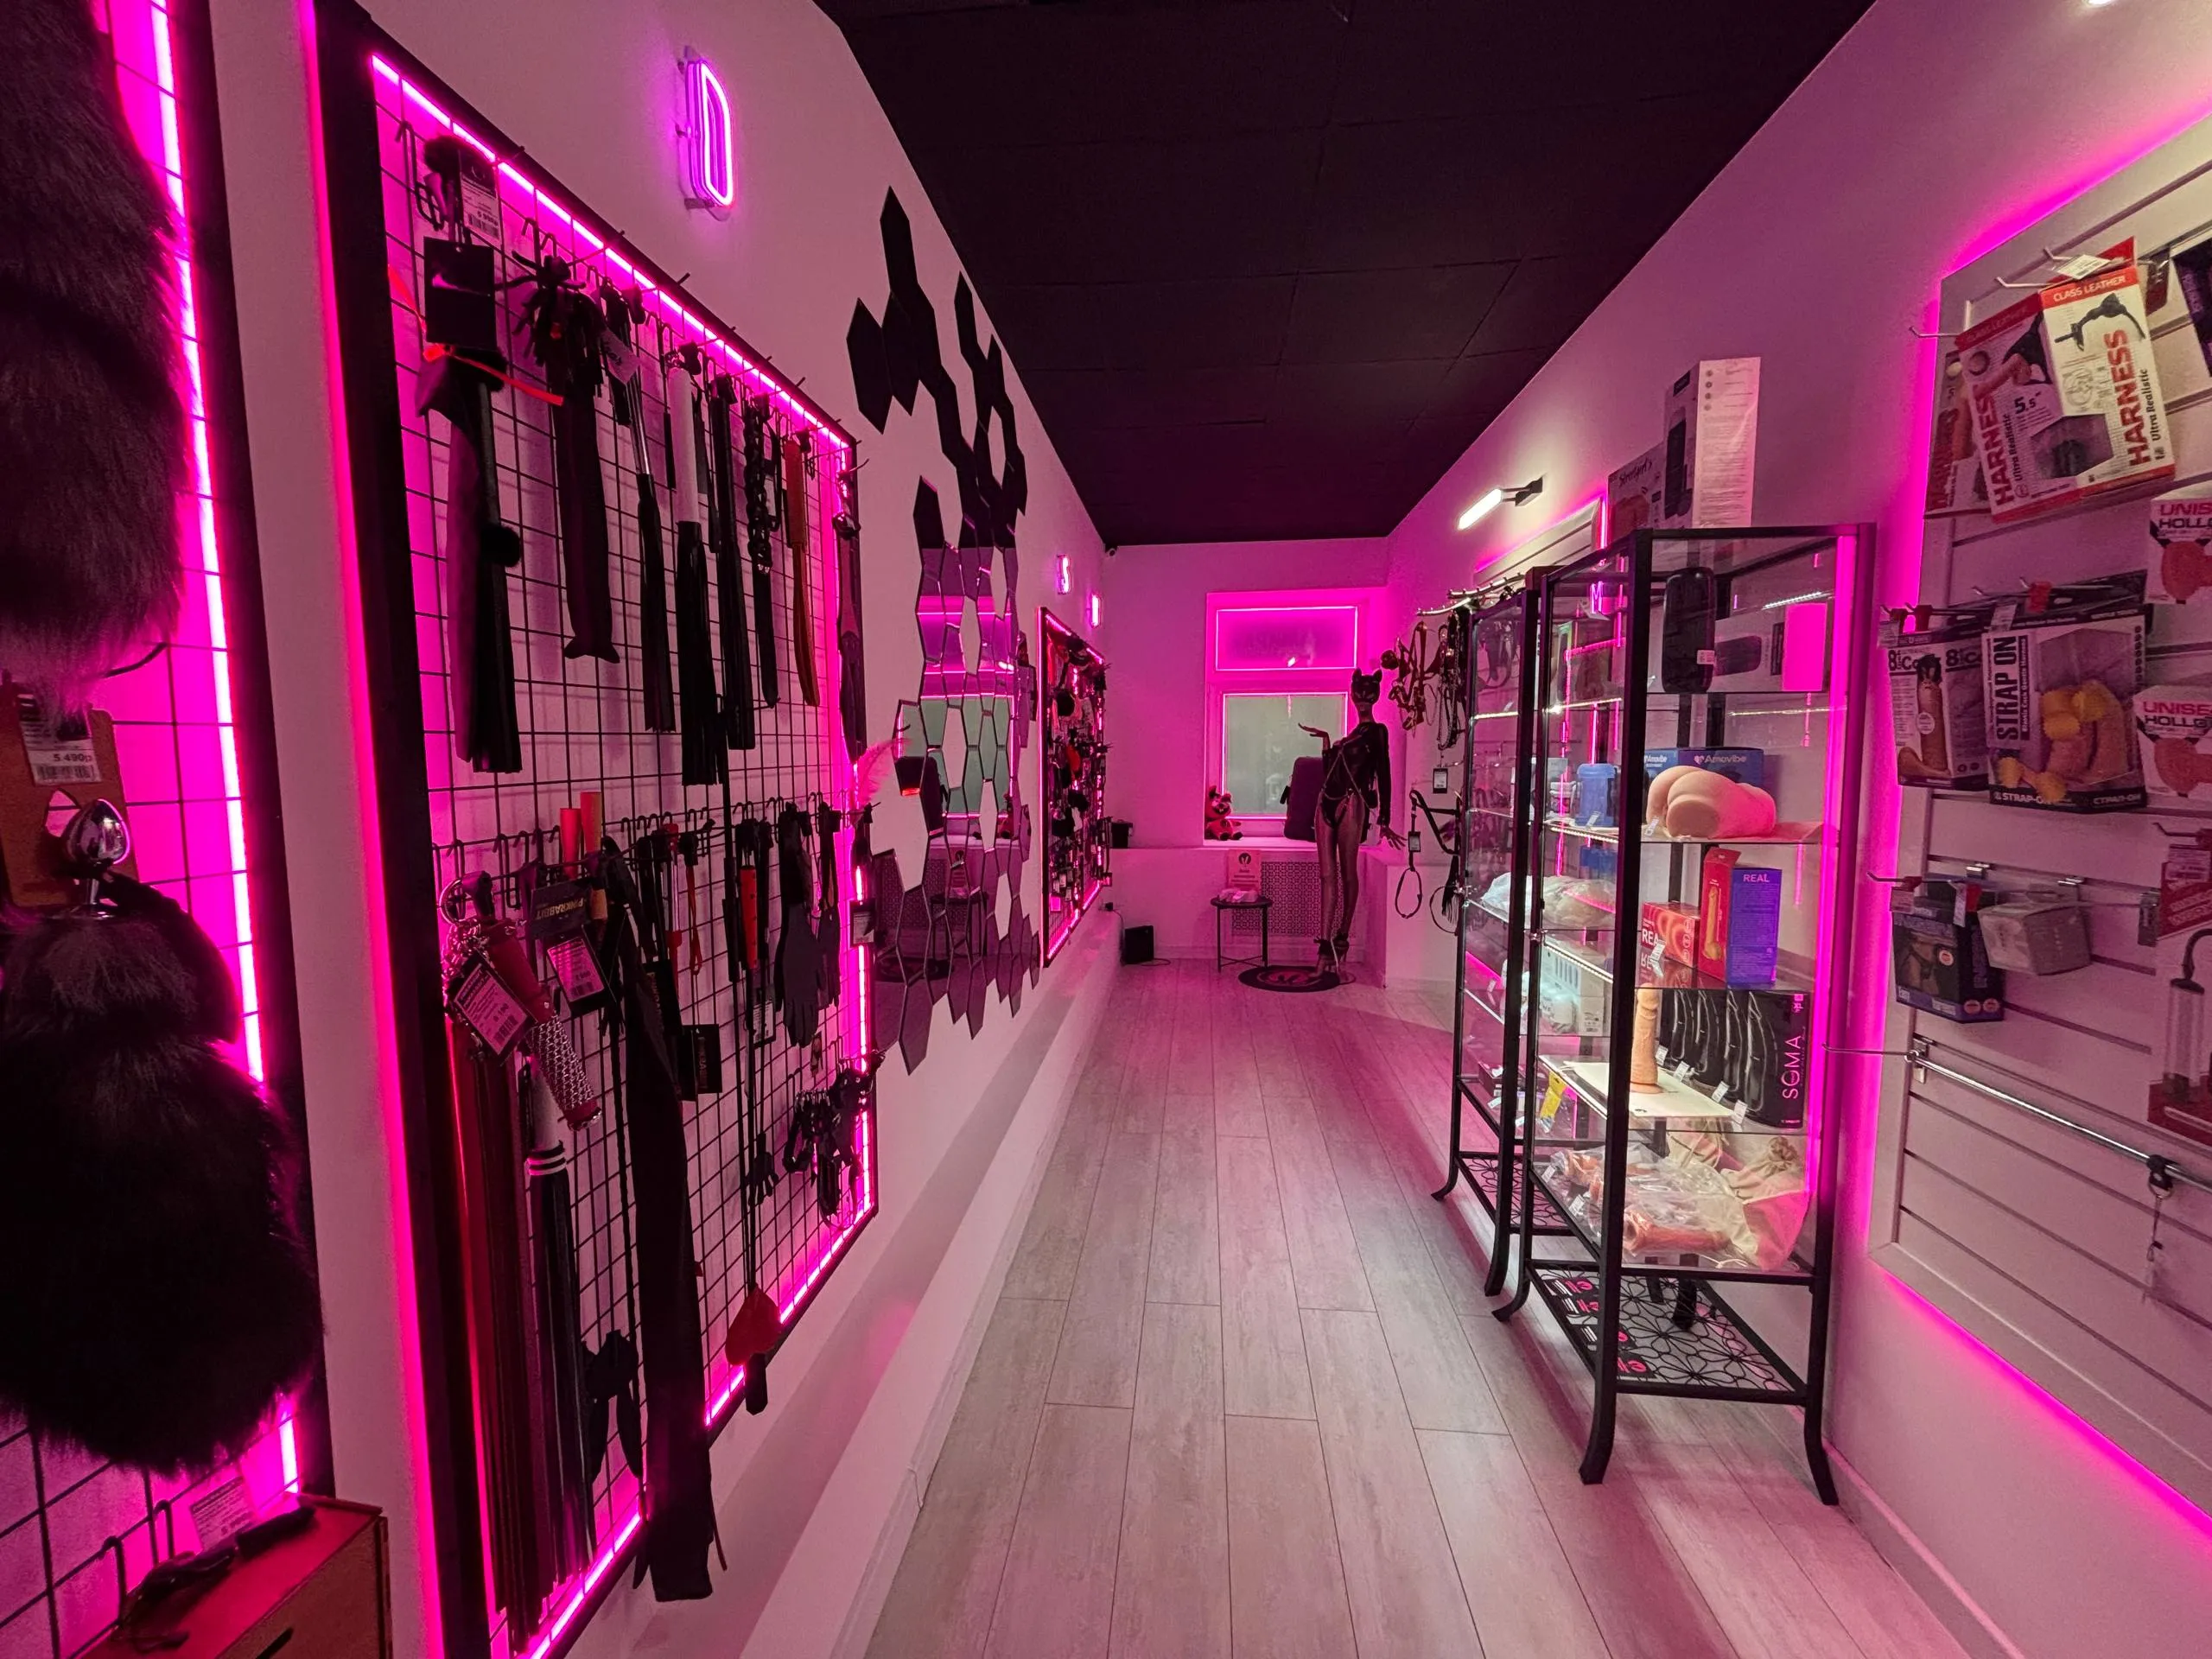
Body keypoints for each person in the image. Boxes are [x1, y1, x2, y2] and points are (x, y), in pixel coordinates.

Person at [1300, 670, 1404, 972]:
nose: (1362, 699)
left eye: (1368, 694)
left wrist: (1384, 817)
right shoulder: (1351, 736)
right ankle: (1324, 946)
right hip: (1326, 801)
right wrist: (1327, 742)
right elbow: (1328, 771)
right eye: (1358, 693)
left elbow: (1384, 773)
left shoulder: (1377, 732)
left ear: (1375, 695)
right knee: (1326, 877)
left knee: (1348, 873)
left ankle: (1342, 938)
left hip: (1351, 802)